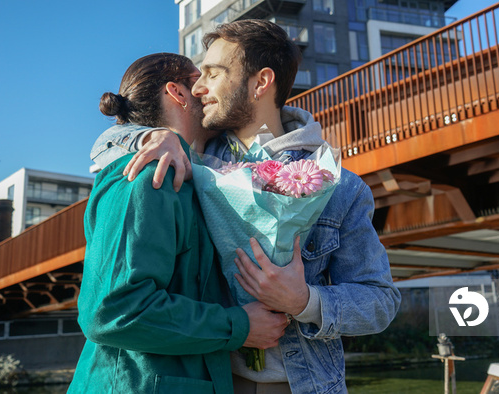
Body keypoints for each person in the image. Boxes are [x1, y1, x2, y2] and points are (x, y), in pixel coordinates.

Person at [92, 21, 401, 394]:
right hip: (212, 379)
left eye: (213, 74)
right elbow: (112, 135)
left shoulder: (339, 186)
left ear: (260, 82)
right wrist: (156, 134)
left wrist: (304, 301)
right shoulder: (193, 157)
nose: (199, 88)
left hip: (302, 383)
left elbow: (381, 301)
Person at [70, 53, 289, 394]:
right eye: (200, 80)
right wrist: (240, 326)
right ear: (178, 93)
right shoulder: (147, 177)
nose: (209, 89)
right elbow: (112, 311)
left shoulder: (187, 173)